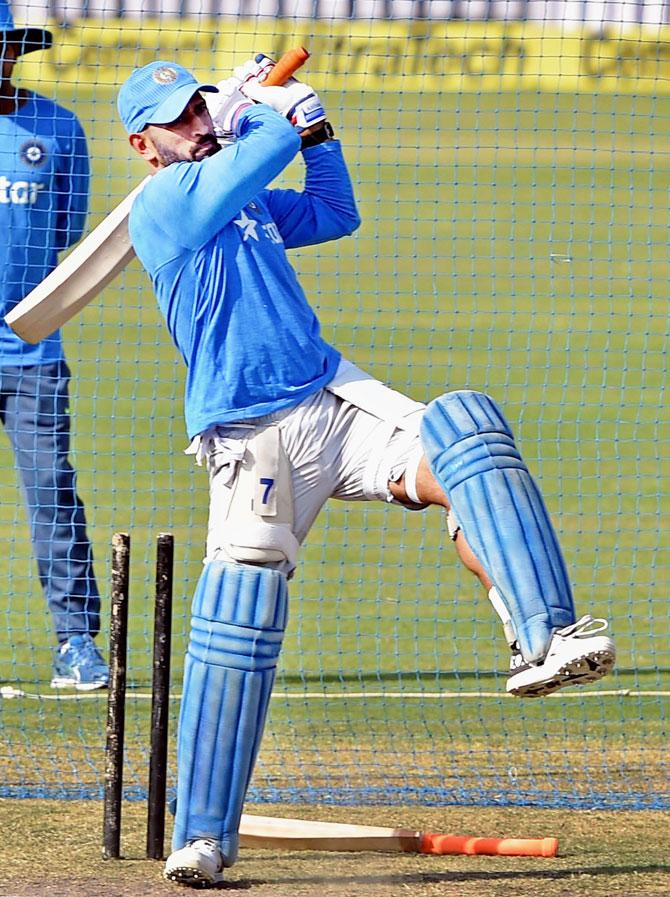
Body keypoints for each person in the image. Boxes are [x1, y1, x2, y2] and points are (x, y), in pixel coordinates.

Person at [117, 56, 615, 887]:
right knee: (241, 611)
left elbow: (333, 213)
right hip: (251, 434)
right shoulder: (167, 205)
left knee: (466, 427)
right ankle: (203, 835)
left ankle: (543, 636)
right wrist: (271, 119)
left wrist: (317, 132)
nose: (200, 124)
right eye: (181, 120)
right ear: (144, 145)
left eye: (203, 108)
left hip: (332, 399)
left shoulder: (237, 197)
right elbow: (252, 155)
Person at [0, 1, 107, 690]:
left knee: (52, 493)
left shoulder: (57, 129)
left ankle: (75, 642)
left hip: (30, 352)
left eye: (4, 45)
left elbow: (63, 232)